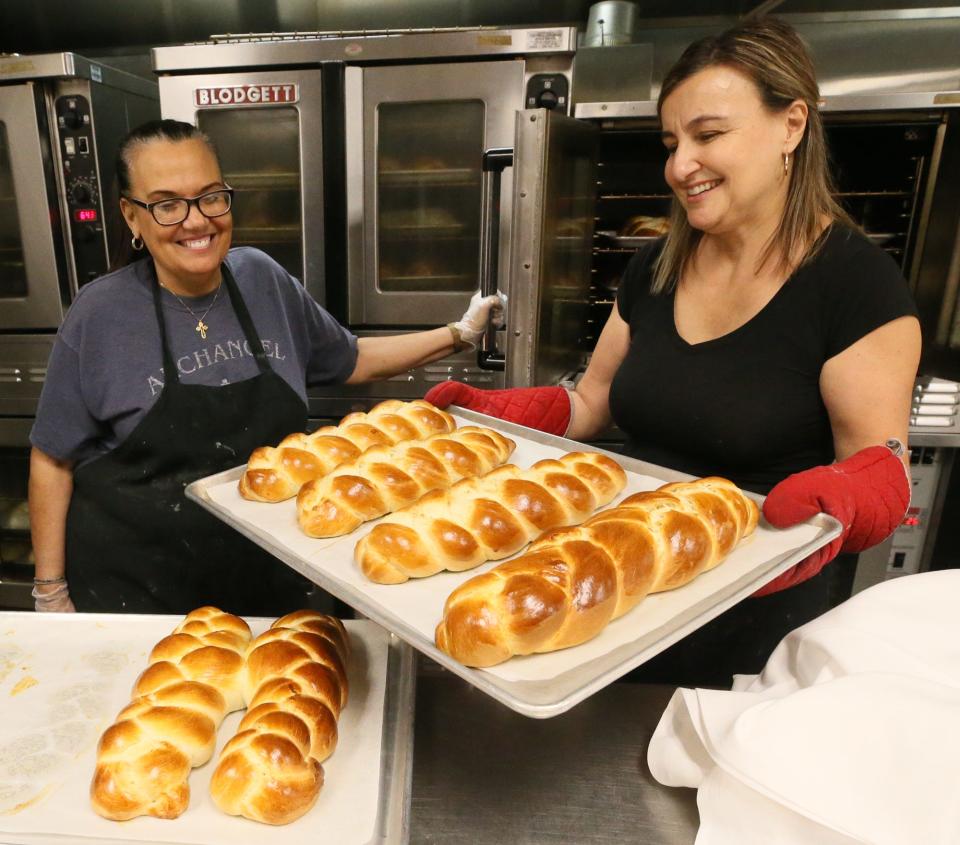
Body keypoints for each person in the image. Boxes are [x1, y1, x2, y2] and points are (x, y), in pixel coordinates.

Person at [426, 17, 921, 685]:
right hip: (622, 580)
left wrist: (844, 499)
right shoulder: (657, 266)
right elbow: (592, 402)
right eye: (671, 141)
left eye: (708, 135)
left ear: (792, 127)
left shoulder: (857, 284)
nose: (679, 164)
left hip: (753, 615)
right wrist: (497, 412)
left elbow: (880, 463)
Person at [29, 119, 502, 616]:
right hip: (141, 591)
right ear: (131, 217)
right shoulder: (100, 315)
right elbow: (52, 460)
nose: (196, 221)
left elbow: (353, 358)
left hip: (269, 578)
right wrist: (50, 591)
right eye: (167, 204)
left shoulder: (261, 279)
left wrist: (459, 334)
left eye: (211, 196)